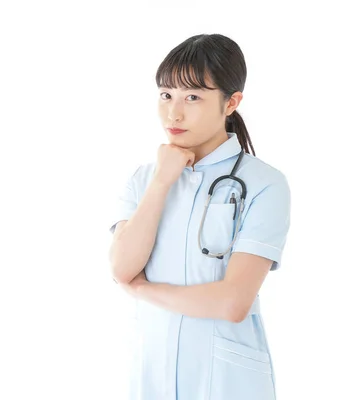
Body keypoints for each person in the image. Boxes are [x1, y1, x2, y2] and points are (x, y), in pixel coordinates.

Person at [108, 33, 291, 400]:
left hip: (227, 382)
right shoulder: (144, 179)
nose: (174, 113)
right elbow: (121, 268)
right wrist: (162, 181)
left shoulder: (264, 184)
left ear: (231, 103)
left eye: (193, 97)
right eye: (166, 95)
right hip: (151, 377)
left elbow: (232, 302)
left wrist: (144, 290)